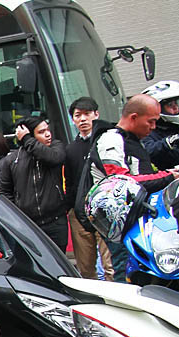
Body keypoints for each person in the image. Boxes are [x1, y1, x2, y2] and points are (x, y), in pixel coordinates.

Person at [89, 94, 179, 279]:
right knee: (126, 269)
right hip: (120, 220)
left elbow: (143, 175)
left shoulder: (131, 140)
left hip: (138, 216)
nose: (153, 127)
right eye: (151, 121)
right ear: (133, 117)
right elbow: (119, 181)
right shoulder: (111, 139)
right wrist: (169, 176)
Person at [0, 116, 69, 251]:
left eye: (48, 130)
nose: (48, 134)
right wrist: (17, 218)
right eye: (41, 132)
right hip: (29, 226)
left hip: (55, 222)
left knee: (59, 267)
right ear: (30, 134)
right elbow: (5, 192)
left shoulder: (55, 148)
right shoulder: (13, 159)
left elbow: (53, 158)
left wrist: (26, 139)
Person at [63, 97, 114, 280]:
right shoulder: (70, 149)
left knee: (111, 265)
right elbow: (69, 181)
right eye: (78, 115)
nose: (83, 119)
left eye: (87, 114)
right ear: (73, 120)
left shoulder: (107, 141)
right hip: (79, 210)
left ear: (96, 115)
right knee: (85, 267)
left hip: (106, 209)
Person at [142, 81, 179, 170]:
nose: (175, 108)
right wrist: (168, 142)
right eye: (170, 105)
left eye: (175, 103)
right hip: (171, 177)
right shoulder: (147, 131)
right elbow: (147, 150)